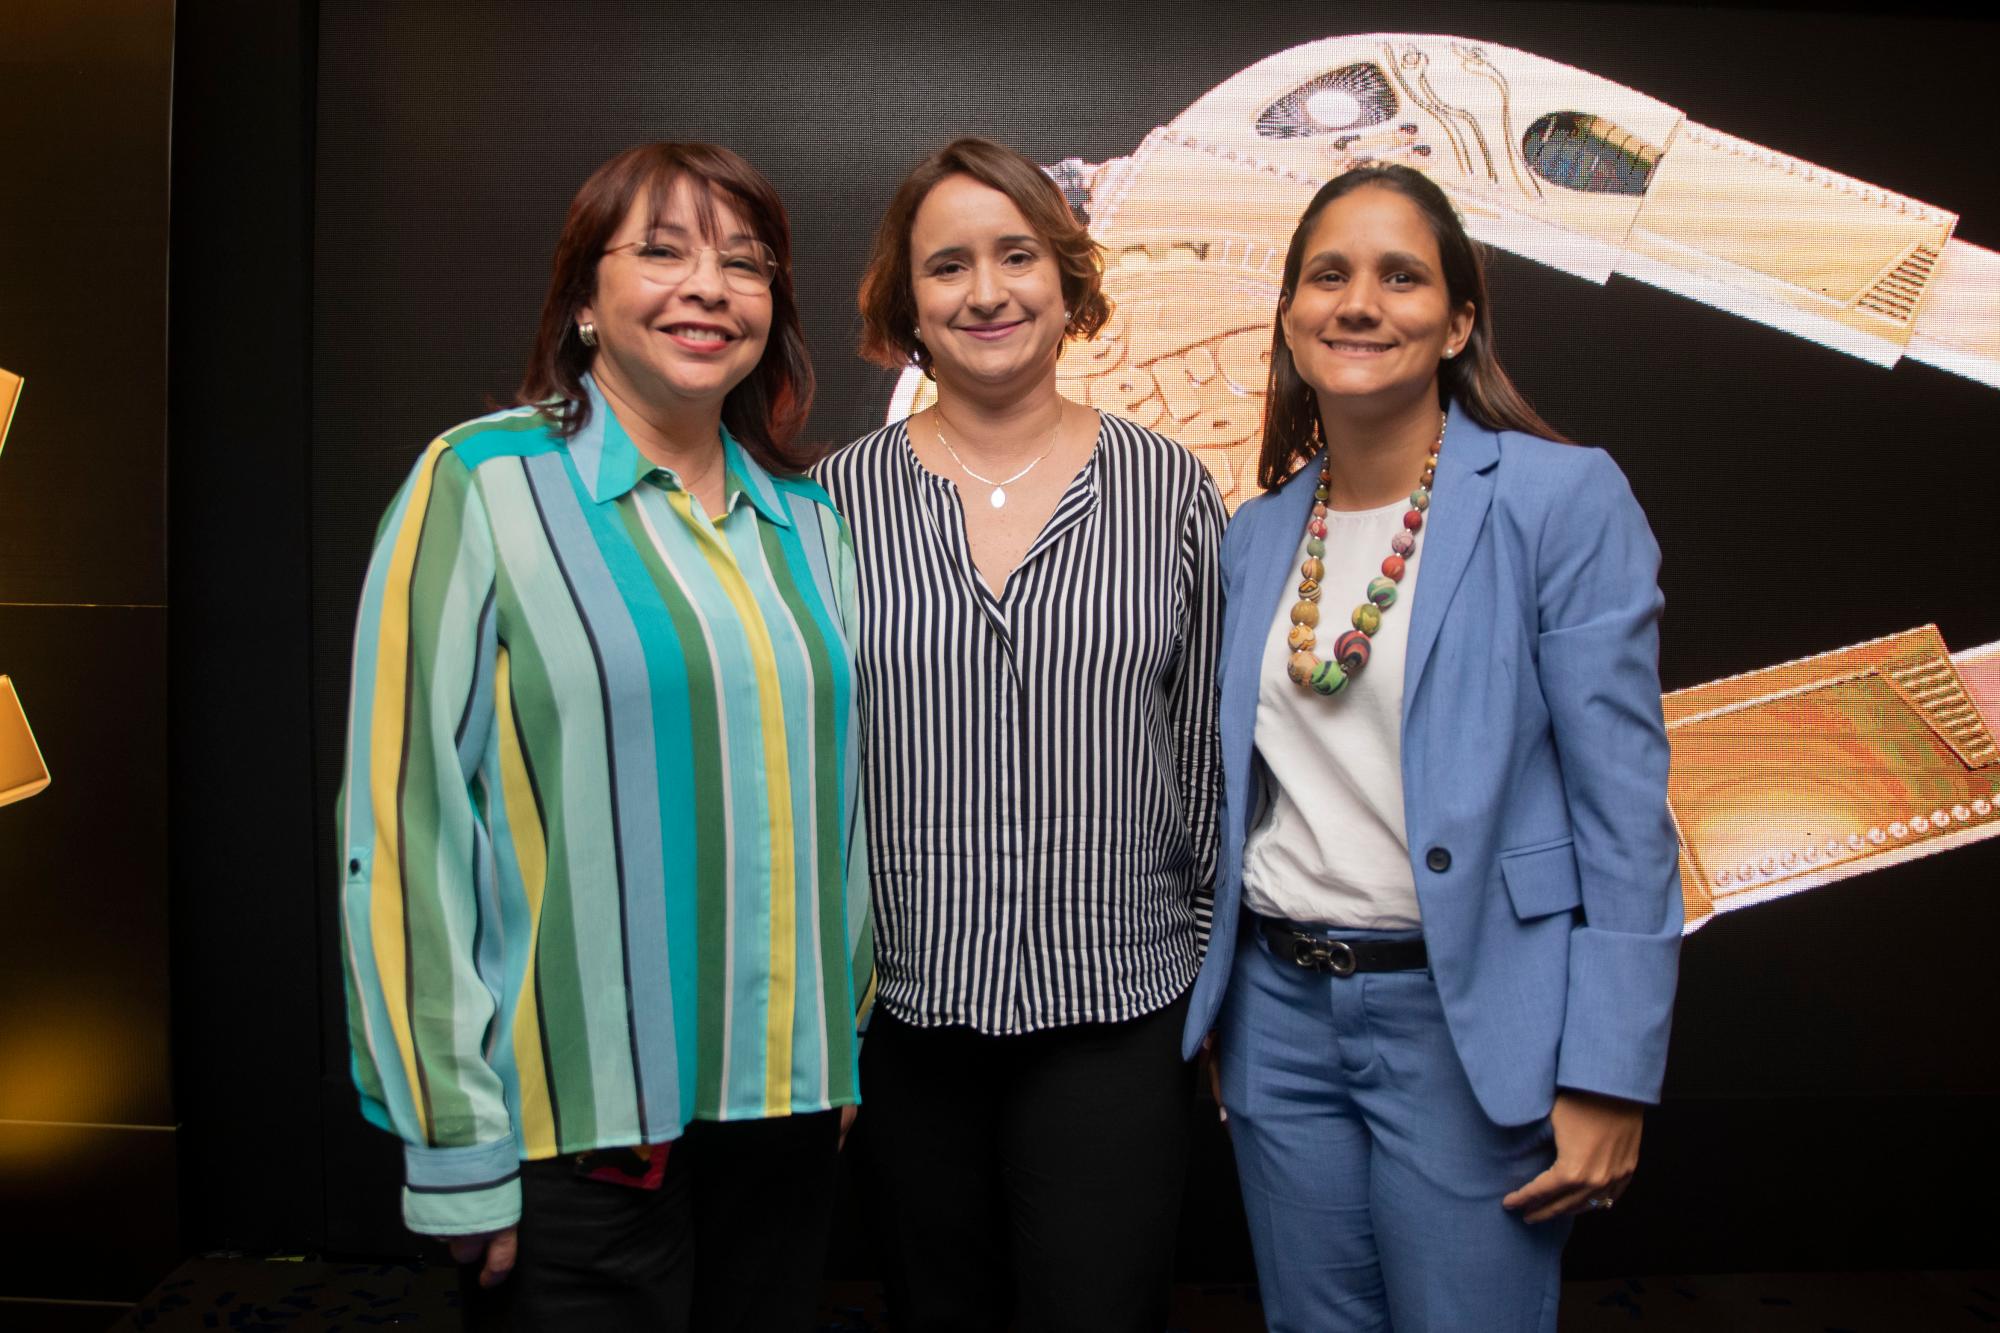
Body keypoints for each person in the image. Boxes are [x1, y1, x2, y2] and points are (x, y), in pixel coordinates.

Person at [337, 141, 870, 1332]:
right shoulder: (481, 482)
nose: (709, 286)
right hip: (572, 1131)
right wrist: (453, 1139)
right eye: (663, 251)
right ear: (584, 298)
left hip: (782, 1122)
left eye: (744, 263)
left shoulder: (808, 521)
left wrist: (836, 1041)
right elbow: (407, 823)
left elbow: (841, 814)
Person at [1181, 162, 1680, 1332]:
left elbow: (1625, 809)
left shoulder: (1560, 500)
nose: (1360, 302)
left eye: (1401, 276)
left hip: (1468, 1030)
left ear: (1457, 319)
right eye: (1328, 275)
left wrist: (1609, 1068)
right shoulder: (1254, 536)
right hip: (1277, 1019)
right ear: (1291, 317)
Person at [813, 136, 1225, 1333]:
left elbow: (1201, 751)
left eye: (1016, 255)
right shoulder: (831, 504)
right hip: (905, 1015)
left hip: (1120, 1007)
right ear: (907, 303)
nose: (985, 291)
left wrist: (1202, 980)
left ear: (1067, 280)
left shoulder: (1168, 490)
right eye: (947, 265)